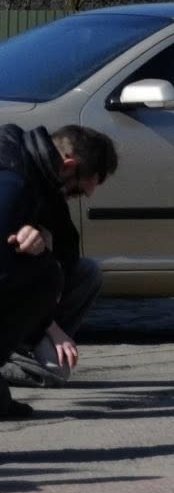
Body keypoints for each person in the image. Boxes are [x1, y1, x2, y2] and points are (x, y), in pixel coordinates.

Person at [0, 124, 116, 415]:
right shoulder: (15, 180)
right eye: (79, 189)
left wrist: (42, 235)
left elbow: (68, 250)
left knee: (83, 272)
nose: (84, 196)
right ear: (69, 166)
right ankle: (12, 358)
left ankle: (22, 348)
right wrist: (49, 327)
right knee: (51, 372)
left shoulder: (43, 174)